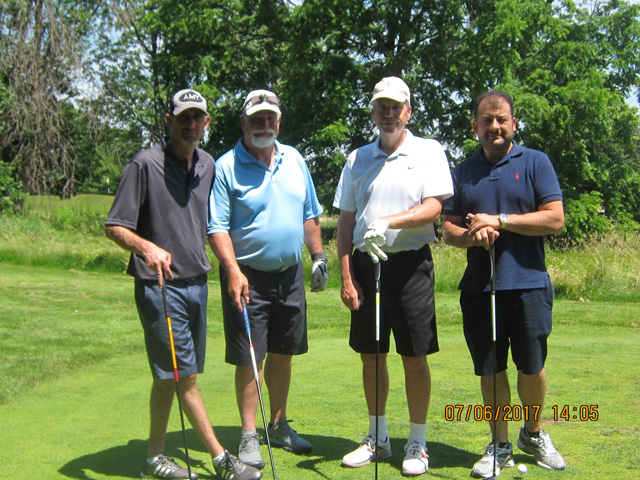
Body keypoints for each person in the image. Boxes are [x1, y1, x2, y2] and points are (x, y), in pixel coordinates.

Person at [105, 89, 262, 480]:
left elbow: (215, 223)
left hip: (198, 283)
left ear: (206, 122)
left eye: (197, 117)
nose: (190, 124)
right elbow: (115, 226)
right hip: (159, 286)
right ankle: (222, 459)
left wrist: (234, 268)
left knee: (168, 377)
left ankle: (153, 458)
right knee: (183, 377)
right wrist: (146, 247)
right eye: (183, 117)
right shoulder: (144, 164)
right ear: (169, 119)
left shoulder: (208, 164)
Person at [442, 90, 566, 478]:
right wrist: (472, 235)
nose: (495, 126)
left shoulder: (535, 162)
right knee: (491, 370)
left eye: (501, 119)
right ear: (475, 126)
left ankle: (533, 433)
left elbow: (555, 218)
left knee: (532, 367)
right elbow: (448, 230)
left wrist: (501, 220)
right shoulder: (462, 171)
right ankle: (499, 445)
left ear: (513, 123)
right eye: (487, 120)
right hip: (481, 288)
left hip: (528, 284)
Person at [333, 76, 453, 477]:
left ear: (408, 112)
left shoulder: (428, 150)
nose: (388, 113)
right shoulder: (357, 158)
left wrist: (388, 221)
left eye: (395, 107)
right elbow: (345, 222)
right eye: (381, 106)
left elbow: (433, 208)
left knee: (414, 357)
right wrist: (346, 276)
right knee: (371, 355)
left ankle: (417, 442)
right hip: (366, 266)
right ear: (373, 112)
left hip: (410, 266)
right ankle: (378, 437)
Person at [207, 89, 328, 470]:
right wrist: (232, 271)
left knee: (282, 351)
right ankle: (248, 433)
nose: (264, 125)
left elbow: (309, 214)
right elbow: (217, 227)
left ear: (279, 121)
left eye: (270, 118)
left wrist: (319, 257)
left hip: (289, 275)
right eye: (256, 119)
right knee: (250, 356)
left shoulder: (294, 159)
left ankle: (278, 424)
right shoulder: (227, 166)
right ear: (243, 122)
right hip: (247, 277)